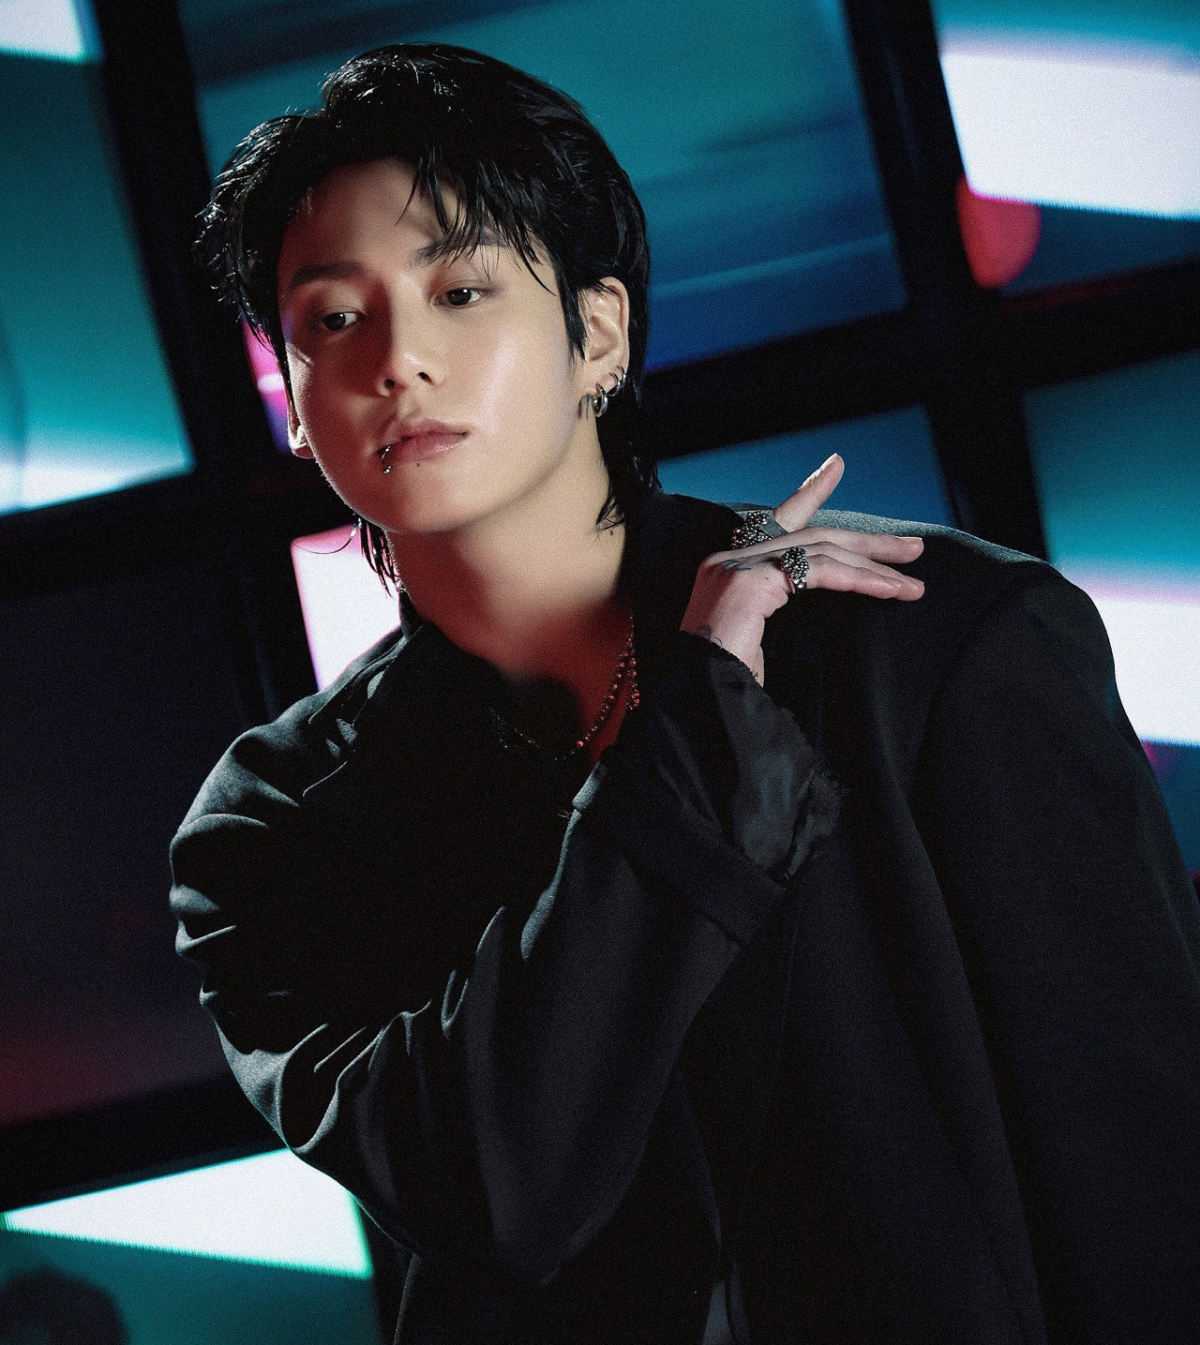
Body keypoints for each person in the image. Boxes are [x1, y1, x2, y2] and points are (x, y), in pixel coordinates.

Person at [171, 44, 1200, 1345]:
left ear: (597, 334)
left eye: (462, 290)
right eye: (332, 319)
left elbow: (1147, 1191)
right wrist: (695, 728)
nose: (399, 359)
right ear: (294, 403)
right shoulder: (275, 824)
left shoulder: (939, 645)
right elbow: (494, 1191)